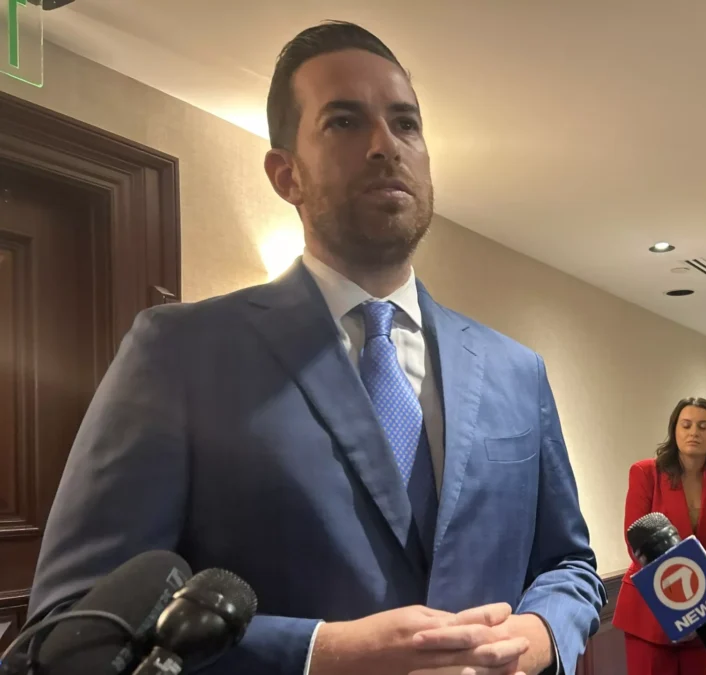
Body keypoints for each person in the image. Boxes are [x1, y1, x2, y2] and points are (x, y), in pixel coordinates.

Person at [26, 21, 604, 675]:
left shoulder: (517, 371)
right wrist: (321, 653)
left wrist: (538, 635)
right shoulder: (179, 353)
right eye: (345, 122)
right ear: (285, 174)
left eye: (406, 123)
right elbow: (77, 621)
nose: (386, 145)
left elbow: (569, 564)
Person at [613, 397, 706, 675]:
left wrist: (702, 609)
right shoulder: (646, 472)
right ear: (675, 431)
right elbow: (636, 542)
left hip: (703, 609)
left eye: (703, 426)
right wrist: (677, 608)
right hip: (649, 611)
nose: (694, 432)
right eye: (686, 425)